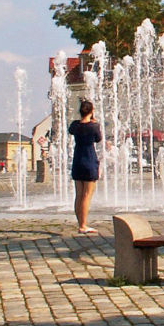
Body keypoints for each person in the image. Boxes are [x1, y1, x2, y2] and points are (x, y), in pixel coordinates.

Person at [69, 99, 103, 233]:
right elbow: (98, 139)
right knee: (87, 195)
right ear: (92, 111)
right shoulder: (94, 126)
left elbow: (71, 130)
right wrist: (93, 121)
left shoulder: (75, 125)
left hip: (77, 159)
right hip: (89, 159)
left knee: (79, 194)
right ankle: (83, 225)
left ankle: (80, 223)